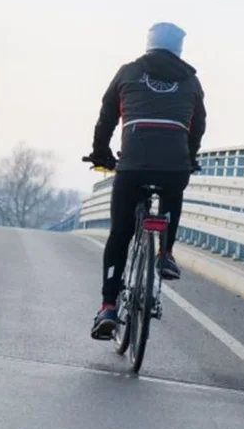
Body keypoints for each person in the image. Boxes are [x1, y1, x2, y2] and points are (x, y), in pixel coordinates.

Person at [84, 22, 206, 340]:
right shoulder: (191, 81)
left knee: (120, 234)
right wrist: (189, 157)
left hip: (133, 163)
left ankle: (109, 307)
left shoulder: (128, 72)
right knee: (173, 188)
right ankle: (165, 253)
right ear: (179, 48)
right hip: (173, 165)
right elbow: (198, 126)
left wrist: (100, 153)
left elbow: (107, 115)